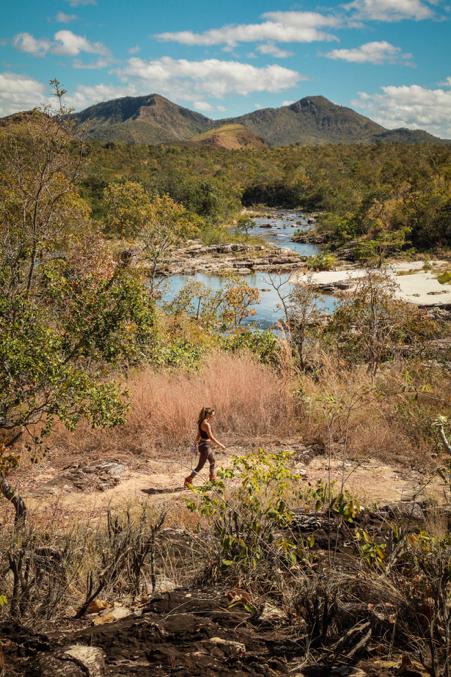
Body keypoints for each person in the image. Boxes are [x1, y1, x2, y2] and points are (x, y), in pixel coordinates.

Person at [184, 407, 225, 487]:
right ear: (208, 415)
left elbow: (198, 435)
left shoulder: (201, 423)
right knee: (200, 466)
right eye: (213, 414)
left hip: (204, 445)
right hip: (205, 447)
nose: (213, 416)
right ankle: (188, 479)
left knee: (212, 461)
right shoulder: (206, 424)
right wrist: (221, 445)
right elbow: (211, 437)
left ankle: (212, 479)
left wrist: (195, 444)